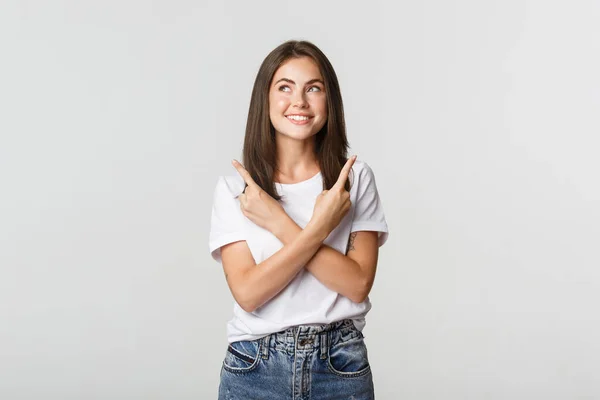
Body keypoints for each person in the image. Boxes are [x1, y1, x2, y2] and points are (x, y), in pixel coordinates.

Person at [209, 39, 389, 400]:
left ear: (329, 100)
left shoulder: (351, 179)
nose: (299, 102)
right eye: (285, 88)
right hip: (255, 368)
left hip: (340, 365)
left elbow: (356, 284)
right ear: (265, 99)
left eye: (314, 88)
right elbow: (248, 293)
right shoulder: (238, 189)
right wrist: (319, 228)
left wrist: (278, 222)